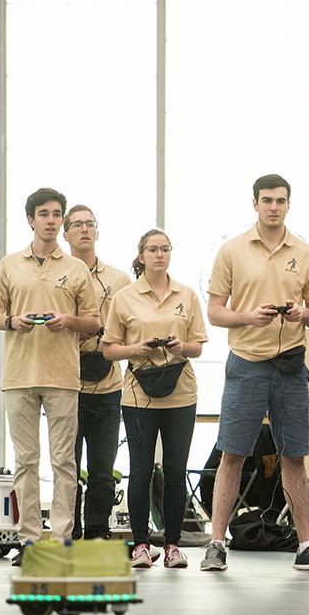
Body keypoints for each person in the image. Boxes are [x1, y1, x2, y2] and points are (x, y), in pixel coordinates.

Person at [202, 173, 309, 572]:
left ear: (288, 205)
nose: (273, 207)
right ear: (255, 204)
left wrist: (302, 313)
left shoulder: (306, 254)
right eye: (267, 200)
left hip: (292, 368)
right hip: (246, 364)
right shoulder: (232, 251)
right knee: (233, 454)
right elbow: (214, 311)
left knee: (294, 456)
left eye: (280, 201)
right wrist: (249, 317)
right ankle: (216, 544)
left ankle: (307, 545)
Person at [0, 188, 100, 565]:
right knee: (26, 461)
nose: (51, 220)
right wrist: (10, 321)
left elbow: (95, 323)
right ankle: (30, 540)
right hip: (18, 376)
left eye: (56, 214)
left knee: (64, 461)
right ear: (31, 220)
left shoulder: (76, 269)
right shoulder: (9, 264)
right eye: (44, 214)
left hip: (63, 376)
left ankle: (63, 538)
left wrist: (68, 321)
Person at [102, 229, 207, 569]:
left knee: (176, 472)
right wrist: (138, 348)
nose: (159, 254)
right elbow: (108, 350)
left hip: (180, 392)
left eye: (165, 249)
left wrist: (180, 347)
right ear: (141, 255)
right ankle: (141, 545)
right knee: (140, 470)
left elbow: (198, 346)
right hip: (137, 394)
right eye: (152, 249)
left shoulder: (187, 295)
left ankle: (174, 544)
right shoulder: (125, 297)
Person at [62, 205, 132, 540]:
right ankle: (69, 528)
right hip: (65, 379)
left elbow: (131, 326)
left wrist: (102, 332)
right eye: (77, 225)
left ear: (98, 232)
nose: (84, 230)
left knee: (103, 469)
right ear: (66, 234)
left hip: (107, 381)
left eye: (90, 224)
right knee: (67, 466)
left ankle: (97, 529)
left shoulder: (119, 280)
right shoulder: (57, 277)